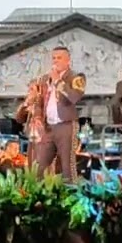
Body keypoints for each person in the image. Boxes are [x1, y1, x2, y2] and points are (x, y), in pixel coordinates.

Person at [32, 46, 86, 181]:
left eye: (59, 58)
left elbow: (74, 97)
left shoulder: (76, 77)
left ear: (68, 61)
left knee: (67, 166)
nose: (55, 61)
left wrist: (58, 81)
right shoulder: (45, 79)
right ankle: (40, 196)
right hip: (48, 127)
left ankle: (72, 196)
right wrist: (38, 116)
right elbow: (39, 101)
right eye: (53, 58)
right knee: (40, 166)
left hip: (66, 125)